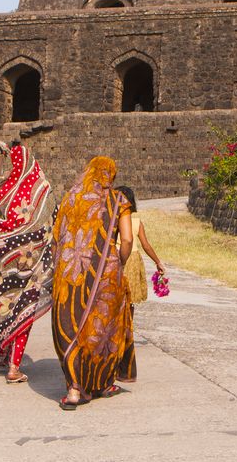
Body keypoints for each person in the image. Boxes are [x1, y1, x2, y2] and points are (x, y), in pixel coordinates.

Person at [0, 140, 56, 383]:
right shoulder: (42, 190)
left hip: (3, 266)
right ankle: (14, 366)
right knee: (24, 314)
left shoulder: (1, 192)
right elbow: (50, 225)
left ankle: (3, 354)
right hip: (32, 266)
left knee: (4, 308)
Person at [50, 156, 135, 410]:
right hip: (106, 272)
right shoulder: (118, 200)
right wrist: (117, 260)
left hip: (70, 271)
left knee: (73, 325)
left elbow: (57, 237)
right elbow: (128, 239)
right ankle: (103, 382)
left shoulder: (69, 199)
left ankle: (75, 388)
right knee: (103, 328)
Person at [115, 185, 166, 311]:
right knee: (130, 298)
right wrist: (157, 262)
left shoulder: (113, 220)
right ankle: (129, 325)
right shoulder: (137, 221)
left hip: (118, 257)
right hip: (133, 259)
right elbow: (146, 246)